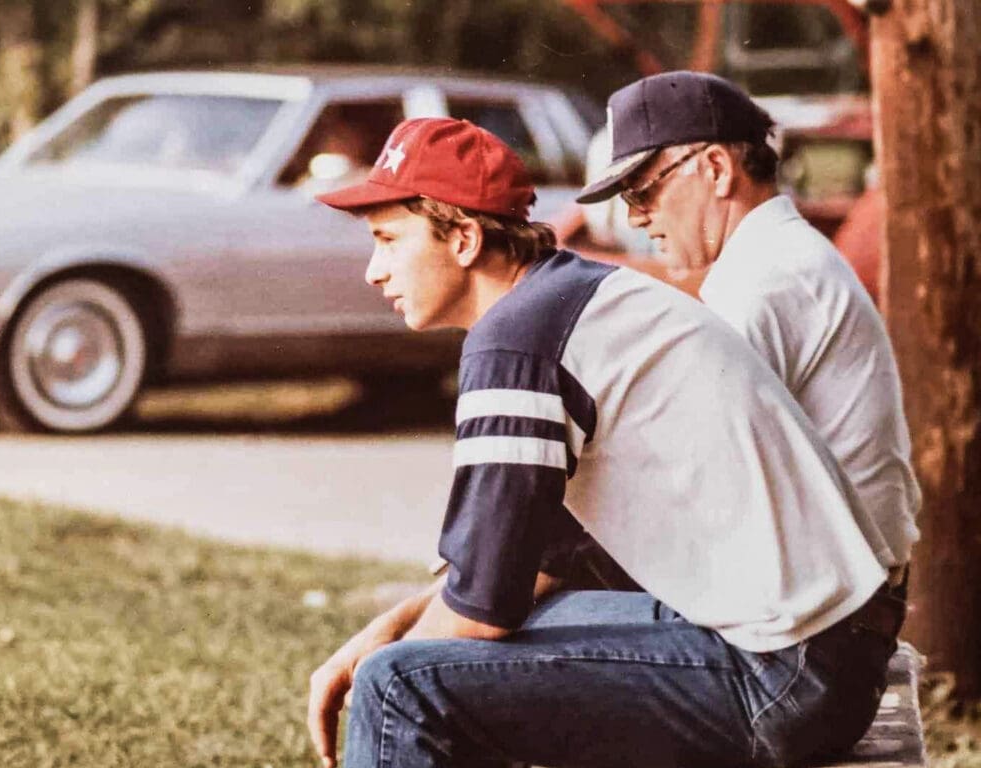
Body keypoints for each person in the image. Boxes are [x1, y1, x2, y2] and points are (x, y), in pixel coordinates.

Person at [308, 116, 904, 768]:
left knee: (400, 690)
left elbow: (481, 612)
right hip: (826, 650)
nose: (374, 270)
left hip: (784, 674)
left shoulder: (518, 337)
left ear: (465, 239)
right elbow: (533, 567)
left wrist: (380, 661)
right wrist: (384, 630)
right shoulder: (568, 296)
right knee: (447, 653)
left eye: (389, 240)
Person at [577, 70, 919, 593]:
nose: (635, 218)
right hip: (837, 585)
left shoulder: (765, 280)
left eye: (642, 191)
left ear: (715, 169)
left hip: (825, 607)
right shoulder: (777, 257)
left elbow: (680, 472)